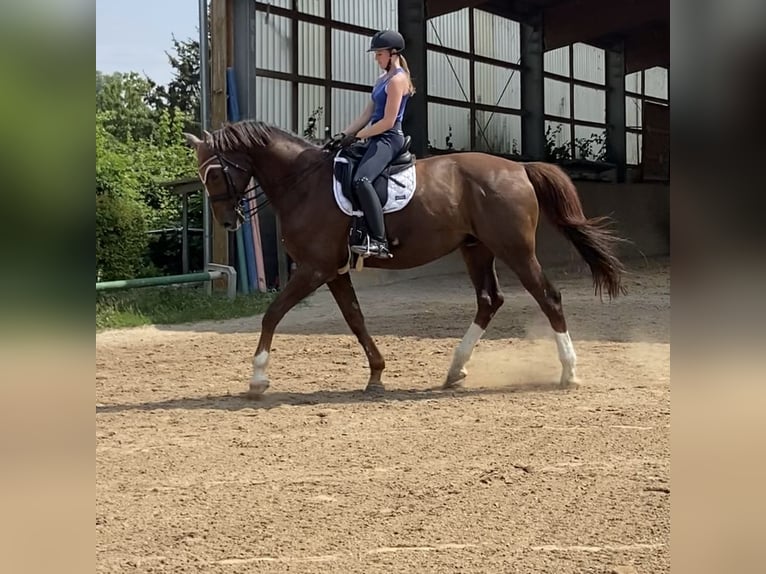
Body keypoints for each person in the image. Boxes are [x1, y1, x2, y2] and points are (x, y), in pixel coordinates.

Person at [328, 29, 416, 259]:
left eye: (379, 54)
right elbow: (367, 114)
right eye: (376, 54)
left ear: (392, 53)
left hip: (389, 138)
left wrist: (360, 136)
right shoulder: (381, 80)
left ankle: (379, 240)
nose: (376, 58)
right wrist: (344, 134)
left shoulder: (398, 80)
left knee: (362, 179)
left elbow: (387, 121)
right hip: (375, 136)